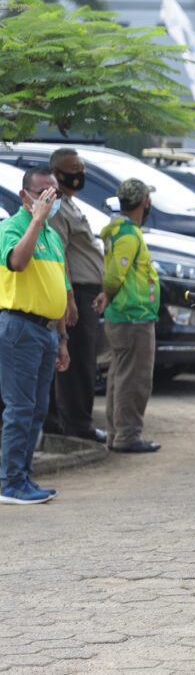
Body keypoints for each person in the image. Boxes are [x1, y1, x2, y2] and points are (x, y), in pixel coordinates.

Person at [0, 167, 70, 504]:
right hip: (20, 328)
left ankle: (23, 477)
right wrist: (36, 220)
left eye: (53, 193)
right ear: (24, 196)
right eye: (42, 192)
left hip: (46, 332)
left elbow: (55, 287)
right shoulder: (12, 228)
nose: (49, 199)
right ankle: (10, 482)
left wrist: (62, 339)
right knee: (20, 407)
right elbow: (18, 262)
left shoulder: (53, 236)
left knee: (38, 409)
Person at [91, 180, 161, 454]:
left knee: (120, 376)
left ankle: (116, 434)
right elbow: (114, 276)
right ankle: (128, 436)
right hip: (134, 315)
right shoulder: (129, 234)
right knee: (134, 379)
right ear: (144, 202)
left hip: (125, 315)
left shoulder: (118, 231)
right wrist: (107, 293)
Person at [45, 147, 107, 443]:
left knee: (82, 358)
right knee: (78, 360)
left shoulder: (69, 203)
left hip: (86, 292)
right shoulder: (57, 205)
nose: (80, 174)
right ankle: (77, 424)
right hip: (76, 293)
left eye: (82, 167)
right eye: (75, 168)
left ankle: (67, 421)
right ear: (57, 173)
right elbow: (60, 256)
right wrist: (69, 299)